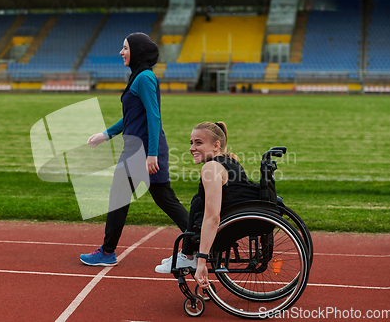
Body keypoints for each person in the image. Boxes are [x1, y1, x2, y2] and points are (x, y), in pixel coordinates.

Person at [79, 32, 189, 266]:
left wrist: (151, 154)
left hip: (142, 151)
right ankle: (200, 239)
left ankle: (107, 252)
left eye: (125, 48)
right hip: (139, 148)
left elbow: (153, 116)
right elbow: (132, 117)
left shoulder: (144, 77)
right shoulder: (139, 77)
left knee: (120, 199)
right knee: (164, 199)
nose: (121, 52)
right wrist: (106, 134)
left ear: (137, 51)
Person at [155, 122, 260, 292]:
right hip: (239, 217)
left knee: (199, 202)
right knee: (198, 200)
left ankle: (189, 256)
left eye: (199, 143)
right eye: (191, 143)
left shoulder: (211, 168)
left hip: (229, 225)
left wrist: (202, 260)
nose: (192, 148)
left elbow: (213, 217)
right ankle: (187, 254)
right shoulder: (229, 161)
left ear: (216, 145)